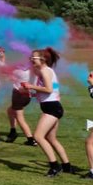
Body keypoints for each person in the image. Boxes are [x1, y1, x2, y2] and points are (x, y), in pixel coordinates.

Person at [24, 48, 73, 177]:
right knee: (51, 138)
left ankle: (54, 167)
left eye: (33, 58)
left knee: (38, 136)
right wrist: (35, 94)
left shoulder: (45, 71)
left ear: (43, 59)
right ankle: (67, 166)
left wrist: (31, 87)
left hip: (52, 108)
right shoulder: (45, 71)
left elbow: (49, 89)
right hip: (51, 106)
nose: (31, 60)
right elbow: (54, 89)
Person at [6, 64, 36, 146]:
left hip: (19, 95)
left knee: (20, 118)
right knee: (10, 111)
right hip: (26, 96)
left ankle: (30, 139)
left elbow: (4, 70)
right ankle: (13, 131)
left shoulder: (19, 71)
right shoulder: (31, 70)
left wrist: (2, 58)